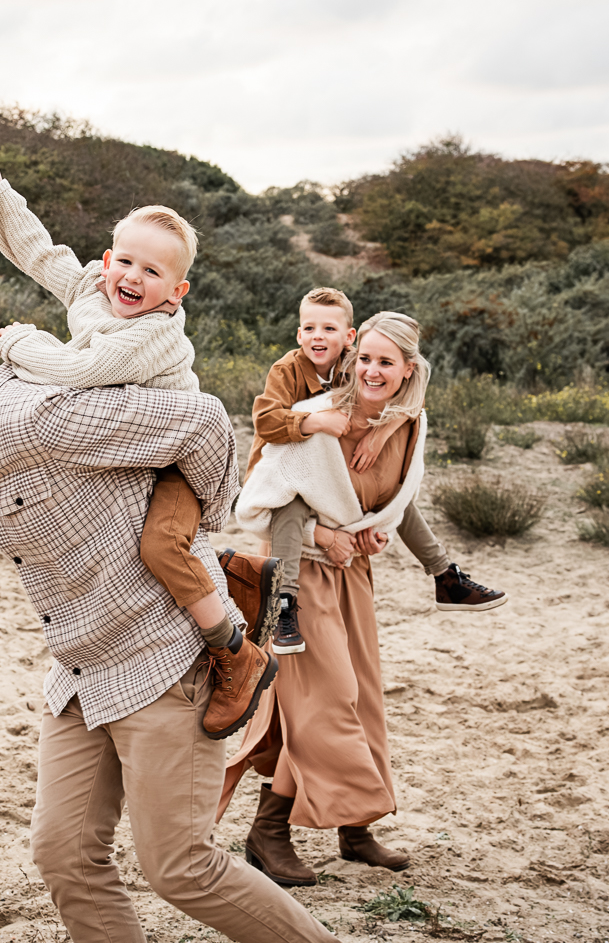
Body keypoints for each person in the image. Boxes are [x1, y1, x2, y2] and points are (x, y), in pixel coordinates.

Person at [0, 329, 337, 943]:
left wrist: (185, 536)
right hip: (80, 673)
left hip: (162, 659)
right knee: (63, 853)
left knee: (182, 868)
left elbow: (203, 425)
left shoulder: (32, 423)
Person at [0, 145, 273, 739]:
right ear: (107, 261)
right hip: (129, 447)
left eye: (153, 272)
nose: (133, 278)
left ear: (177, 292)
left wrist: (18, 342)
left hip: (175, 458)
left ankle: (236, 651)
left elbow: (77, 372)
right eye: (125, 262)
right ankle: (236, 573)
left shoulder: (151, 335)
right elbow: (39, 252)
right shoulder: (94, 289)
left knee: (159, 545)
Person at [222, 312, 437, 886]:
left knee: (363, 698)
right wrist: (324, 535)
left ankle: (355, 828)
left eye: (385, 362)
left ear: (406, 371)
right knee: (325, 701)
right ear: (351, 355)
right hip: (300, 578)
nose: (371, 370)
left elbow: (391, 502)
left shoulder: (408, 427)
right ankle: (269, 831)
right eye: (364, 358)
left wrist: (375, 529)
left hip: (354, 575)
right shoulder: (313, 420)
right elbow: (260, 500)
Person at [249, 287, 507, 658]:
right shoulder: (289, 370)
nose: (318, 337)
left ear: (348, 339)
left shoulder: (355, 367)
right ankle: (284, 604)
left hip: (337, 507)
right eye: (309, 328)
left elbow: (407, 396)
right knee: (291, 510)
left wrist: (381, 434)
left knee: (401, 500)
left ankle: (444, 575)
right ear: (298, 333)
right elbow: (265, 421)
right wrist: (316, 420)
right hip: (283, 477)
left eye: (329, 329)